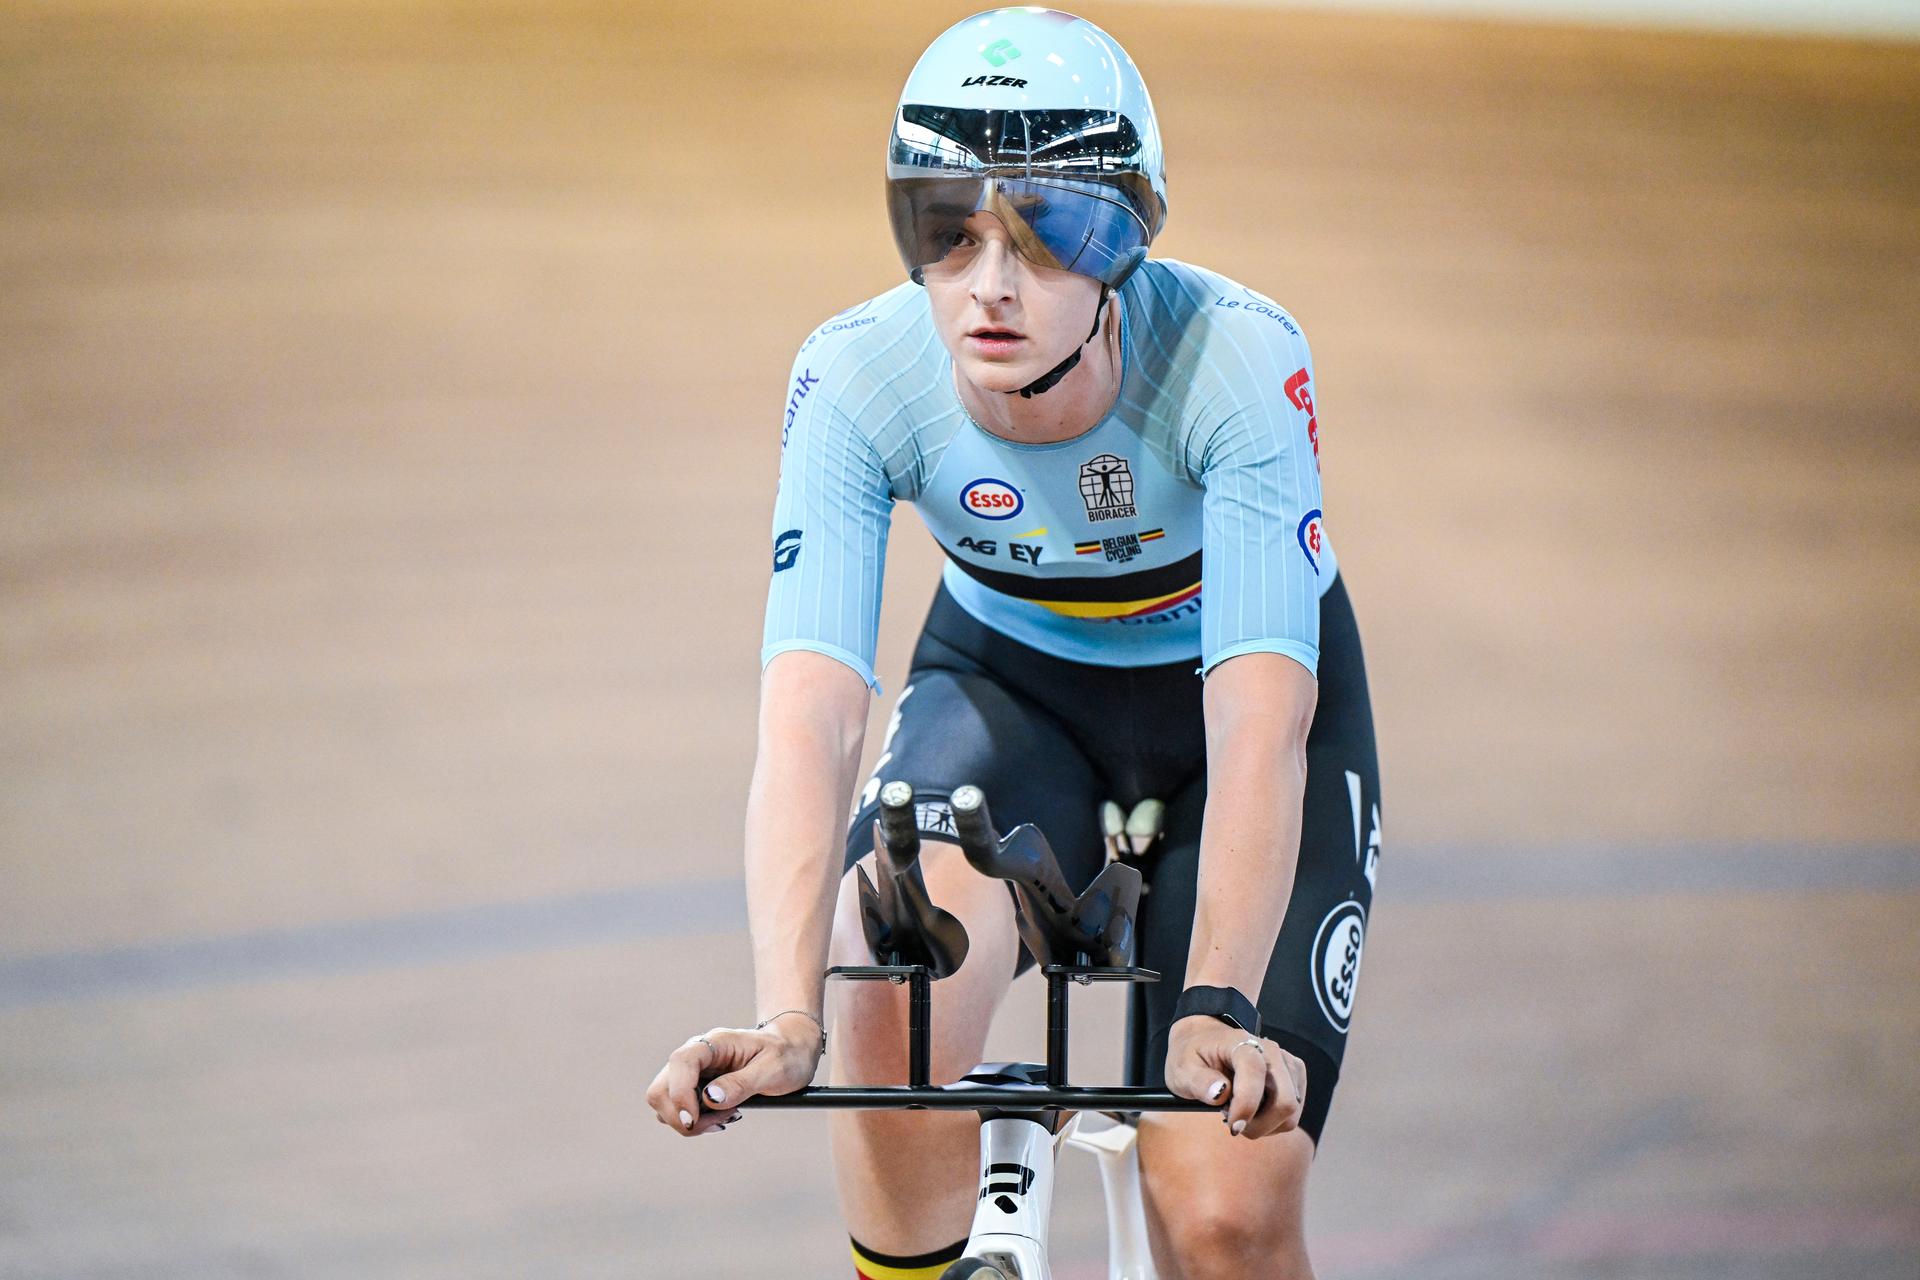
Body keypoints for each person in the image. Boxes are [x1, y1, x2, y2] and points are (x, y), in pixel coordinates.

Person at [646, 8, 1380, 1278]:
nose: (990, 282)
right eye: (947, 228)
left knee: (1221, 1212)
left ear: (1128, 244)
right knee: (885, 1007)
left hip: (1224, 734)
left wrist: (1210, 1001)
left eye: (1049, 233)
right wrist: (785, 1008)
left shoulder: (1237, 360)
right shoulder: (857, 374)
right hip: (1008, 694)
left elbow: (1259, 725)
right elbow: (809, 714)